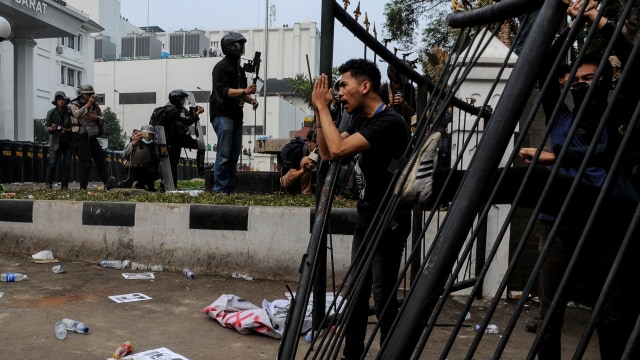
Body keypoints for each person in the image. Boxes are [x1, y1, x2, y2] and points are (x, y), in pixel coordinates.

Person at [311, 58, 411, 360]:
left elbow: (339, 149)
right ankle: (350, 354)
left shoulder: (389, 122)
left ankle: (393, 353)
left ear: (364, 86)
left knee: (382, 297)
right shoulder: (358, 120)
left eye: (344, 85)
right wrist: (320, 111)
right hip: (367, 216)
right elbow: (329, 152)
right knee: (356, 293)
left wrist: (324, 108)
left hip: (390, 220)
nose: (339, 92)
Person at [210, 31, 259, 194]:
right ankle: (220, 189)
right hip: (222, 114)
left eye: (241, 45)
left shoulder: (240, 70)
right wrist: (245, 91)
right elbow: (224, 91)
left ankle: (229, 188)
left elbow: (241, 93)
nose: (240, 48)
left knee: (233, 154)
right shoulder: (220, 67)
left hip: (236, 116)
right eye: (237, 45)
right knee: (224, 154)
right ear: (228, 47)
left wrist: (251, 99)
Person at [70, 84, 117, 191]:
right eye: (87, 94)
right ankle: (83, 187)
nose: (90, 96)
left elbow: (102, 118)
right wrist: (87, 105)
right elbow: (76, 114)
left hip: (92, 137)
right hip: (80, 137)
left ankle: (107, 183)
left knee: (100, 158)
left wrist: (95, 117)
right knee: (86, 162)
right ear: (82, 94)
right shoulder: (75, 104)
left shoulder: (95, 105)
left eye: (91, 94)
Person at [163, 90, 205, 189]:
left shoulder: (180, 109)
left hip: (181, 138)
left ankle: (201, 168)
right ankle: (171, 186)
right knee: (173, 163)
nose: (184, 101)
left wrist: (194, 110)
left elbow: (188, 116)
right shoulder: (173, 110)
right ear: (177, 100)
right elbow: (188, 121)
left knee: (200, 145)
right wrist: (197, 114)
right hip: (173, 140)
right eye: (182, 99)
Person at [116, 125, 160, 191]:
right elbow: (124, 154)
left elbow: (157, 158)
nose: (148, 137)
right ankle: (111, 182)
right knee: (124, 188)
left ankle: (142, 185)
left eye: (150, 134)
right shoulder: (135, 141)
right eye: (146, 134)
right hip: (131, 169)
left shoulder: (153, 145)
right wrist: (133, 143)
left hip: (144, 169)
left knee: (153, 173)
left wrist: (157, 146)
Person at [44, 91, 73, 190]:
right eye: (59, 100)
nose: (61, 102)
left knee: (67, 165)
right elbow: (46, 127)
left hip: (68, 142)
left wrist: (67, 130)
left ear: (65, 101)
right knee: (52, 163)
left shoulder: (70, 112)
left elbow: (75, 127)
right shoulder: (51, 113)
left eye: (63, 100)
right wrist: (50, 129)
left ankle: (64, 186)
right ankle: (48, 185)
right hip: (54, 142)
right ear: (56, 101)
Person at [280, 130, 318, 195]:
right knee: (306, 160)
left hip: (304, 182)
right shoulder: (298, 152)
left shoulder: (320, 153)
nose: (317, 145)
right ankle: (306, 194)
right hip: (288, 180)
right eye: (315, 142)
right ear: (309, 142)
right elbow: (291, 177)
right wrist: (305, 168)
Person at [379, 63, 416, 128]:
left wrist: (405, 105)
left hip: (404, 126)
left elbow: (413, 112)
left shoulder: (409, 88)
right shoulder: (384, 89)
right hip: (387, 126)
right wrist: (389, 105)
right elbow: (378, 113)